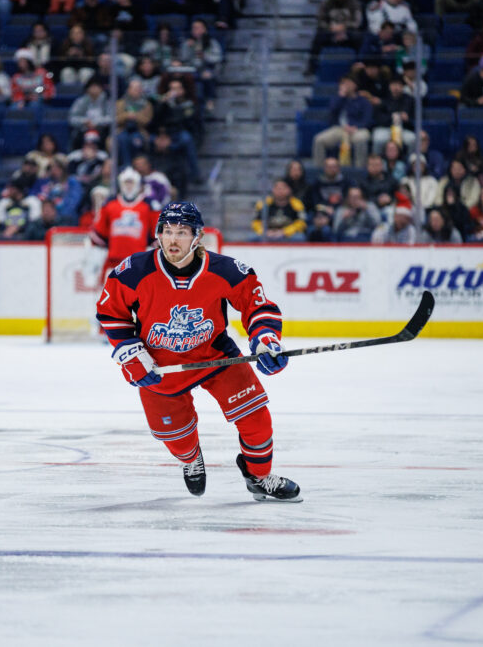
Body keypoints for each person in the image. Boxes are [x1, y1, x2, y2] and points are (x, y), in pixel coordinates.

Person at [95, 201, 302, 501]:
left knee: (257, 420)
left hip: (216, 356)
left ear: (197, 237)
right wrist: (129, 352)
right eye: (167, 231)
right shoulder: (132, 272)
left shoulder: (226, 270)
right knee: (177, 440)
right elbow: (111, 313)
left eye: (181, 232)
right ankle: (191, 458)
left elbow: (257, 306)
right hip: (160, 365)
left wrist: (266, 338)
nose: (173, 239)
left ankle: (259, 476)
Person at [88, 166, 158, 285]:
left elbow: (156, 235)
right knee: (110, 300)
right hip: (113, 261)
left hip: (139, 262)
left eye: (131, 182)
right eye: (126, 182)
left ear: (138, 183)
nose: (129, 186)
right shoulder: (110, 204)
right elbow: (99, 233)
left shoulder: (149, 205)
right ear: (120, 183)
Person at [312, 75, 373, 168]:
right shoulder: (337, 99)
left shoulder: (363, 101)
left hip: (357, 129)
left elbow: (367, 119)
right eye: (343, 83)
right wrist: (341, 97)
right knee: (318, 140)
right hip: (339, 128)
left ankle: (359, 170)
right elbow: (332, 112)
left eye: (348, 83)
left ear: (355, 85)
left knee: (361, 139)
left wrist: (355, 126)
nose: (346, 86)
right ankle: (319, 169)